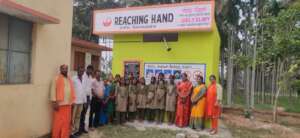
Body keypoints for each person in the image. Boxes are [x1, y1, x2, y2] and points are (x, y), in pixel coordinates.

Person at [50, 64, 76, 138]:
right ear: (60, 70)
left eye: (66, 69)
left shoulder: (69, 79)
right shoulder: (56, 78)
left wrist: (73, 101)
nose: (65, 70)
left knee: (66, 123)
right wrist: (54, 102)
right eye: (63, 69)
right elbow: (52, 91)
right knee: (58, 123)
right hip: (59, 104)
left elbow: (72, 90)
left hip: (68, 104)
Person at [71, 67, 87, 136]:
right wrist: (71, 101)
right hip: (74, 102)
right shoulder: (73, 79)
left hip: (81, 102)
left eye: (82, 71)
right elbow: (71, 90)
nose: (81, 72)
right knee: (72, 117)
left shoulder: (84, 79)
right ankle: (70, 132)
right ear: (77, 71)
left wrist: (85, 101)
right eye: (80, 71)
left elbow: (84, 91)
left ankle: (75, 131)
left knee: (78, 117)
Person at [79, 65, 94, 133]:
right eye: (89, 70)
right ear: (87, 69)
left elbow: (90, 88)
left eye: (91, 70)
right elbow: (83, 89)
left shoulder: (90, 77)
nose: (90, 71)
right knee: (81, 113)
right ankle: (80, 128)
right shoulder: (83, 76)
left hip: (88, 98)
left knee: (85, 113)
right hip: (83, 97)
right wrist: (85, 100)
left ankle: (83, 128)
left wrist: (90, 99)